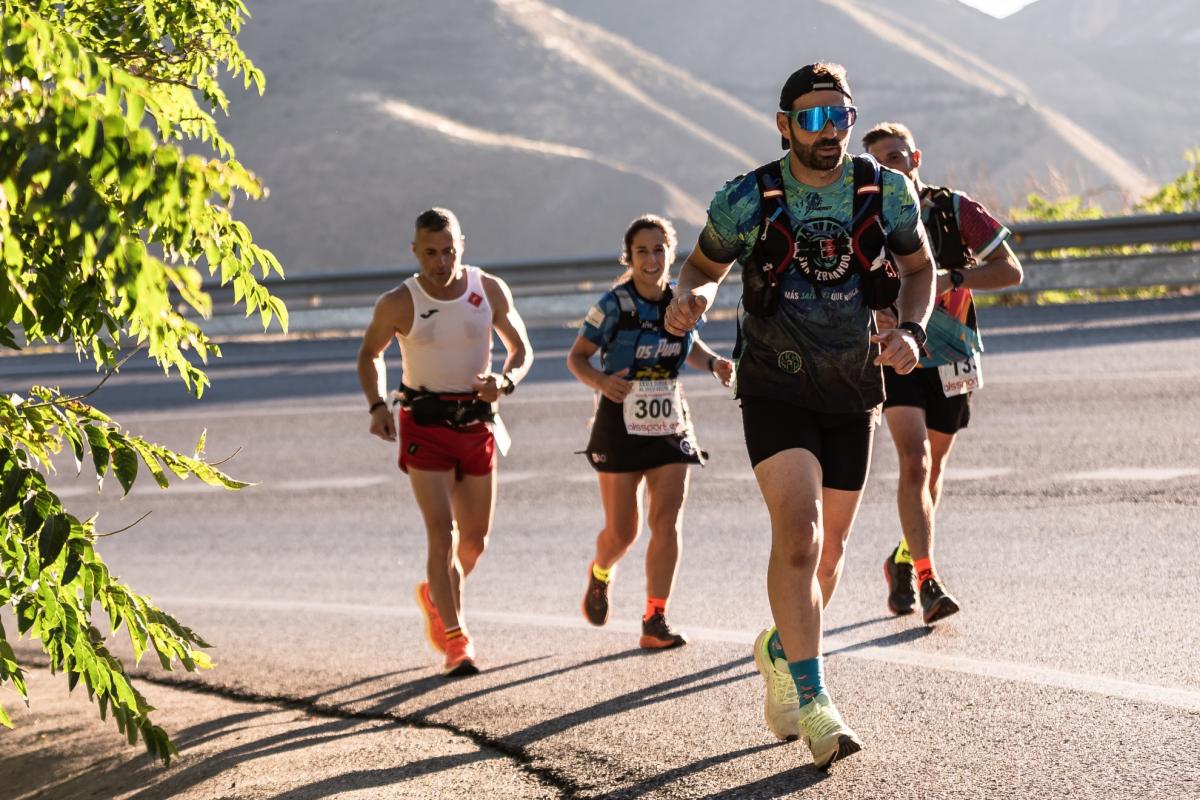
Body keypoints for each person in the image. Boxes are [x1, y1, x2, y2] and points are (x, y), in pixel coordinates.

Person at [664, 63, 936, 769]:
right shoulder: (747, 198)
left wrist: (909, 333)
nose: (827, 132)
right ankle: (814, 702)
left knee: (832, 551)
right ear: (783, 125)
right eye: (811, 119)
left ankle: (781, 649)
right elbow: (700, 268)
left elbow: (919, 271)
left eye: (839, 116)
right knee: (801, 537)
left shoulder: (888, 190)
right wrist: (689, 297)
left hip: (854, 387)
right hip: (774, 385)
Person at [356, 207, 533, 677]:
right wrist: (377, 405)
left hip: (477, 422)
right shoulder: (399, 301)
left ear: (462, 245)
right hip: (424, 424)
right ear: (415, 250)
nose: (441, 260)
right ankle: (457, 640)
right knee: (444, 534)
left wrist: (506, 381)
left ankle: (435, 595)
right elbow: (370, 354)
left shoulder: (487, 288)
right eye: (431, 252)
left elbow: (521, 348)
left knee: (474, 542)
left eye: (449, 250)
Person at [861, 122, 1023, 624]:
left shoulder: (955, 210)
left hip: (952, 352)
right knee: (915, 460)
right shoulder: (865, 221)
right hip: (900, 353)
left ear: (917, 157)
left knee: (933, 473)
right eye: (879, 163)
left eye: (898, 156)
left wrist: (953, 277)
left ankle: (903, 558)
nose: (892, 167)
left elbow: (1011, 270)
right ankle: (929, 579)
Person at [567, 214, 733, 650]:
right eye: (642, 250)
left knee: (667, 522)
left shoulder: (678, 302)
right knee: (623, 531)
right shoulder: (612, 305)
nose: (652, 258)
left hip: (669, 422)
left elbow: (690, 346)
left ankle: (654, 618)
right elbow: (578, 357)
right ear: (630, 256)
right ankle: (601, 573)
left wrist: (715, 362)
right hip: (619, 420)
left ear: (670, 253)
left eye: (659, 249)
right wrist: (602, 383)